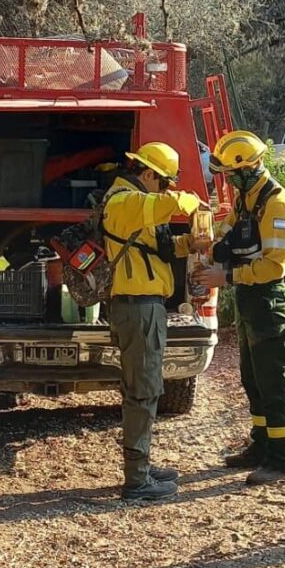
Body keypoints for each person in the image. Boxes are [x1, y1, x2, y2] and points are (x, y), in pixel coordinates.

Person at [194, 130, 285, 484]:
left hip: (268, 297)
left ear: (248, 169)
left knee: (274, 378)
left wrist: (225, 278)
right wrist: (207, 248)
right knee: (252, 377)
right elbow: (226, 234)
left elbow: (275, 265)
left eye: (231, 173)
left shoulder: (277, 204)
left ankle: (283, 456)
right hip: (248, 296)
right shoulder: (246, 199)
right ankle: (261, 444)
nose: (227, 179)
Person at [102, 142, 203, 504]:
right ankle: (137, 480)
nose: (167, 190)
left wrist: (191, 241)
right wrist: (188, 201)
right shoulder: (123, 201)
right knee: (143, 392)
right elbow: (158, 206)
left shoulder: (137, 208)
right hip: (138, 309)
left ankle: (142, 467)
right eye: (164, 183)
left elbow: (160, 246)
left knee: (143, 389)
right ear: (147, 174)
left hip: (144, 307)